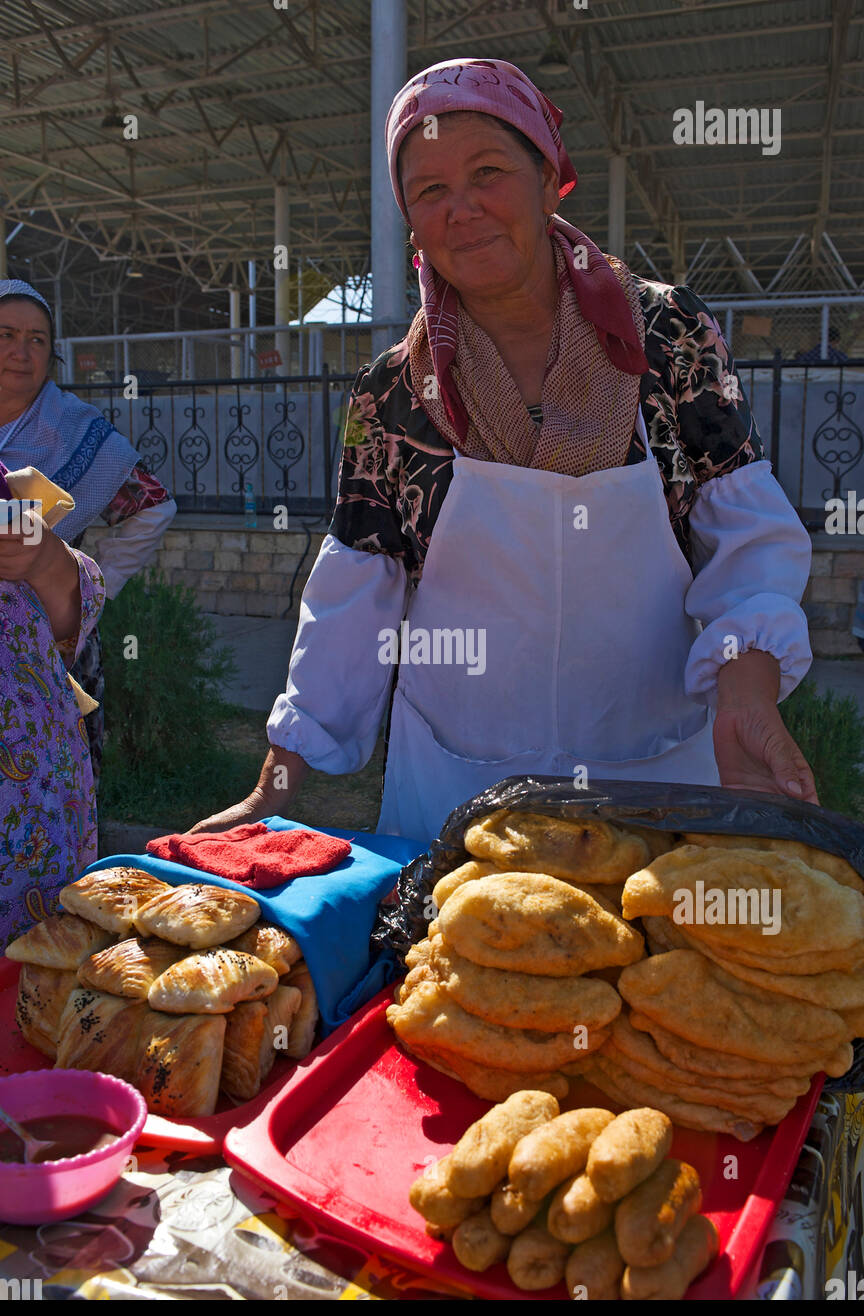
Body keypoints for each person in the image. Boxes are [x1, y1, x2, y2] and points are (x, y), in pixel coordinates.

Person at [193, 57, 816, 846]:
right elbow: (354, 591)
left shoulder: (668, 336)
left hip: (654, 779)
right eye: (429, 191)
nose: (462, 209)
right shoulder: (390, 395)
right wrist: (271, 791)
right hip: (459, 789)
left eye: (488, 171)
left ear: (548, 174)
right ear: (411, 224)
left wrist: (749, 698)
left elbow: (747, 540)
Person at [0, 279, 177, 786]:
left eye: (37, 340)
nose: (21, 351)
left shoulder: (72, 427)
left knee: (50, 790)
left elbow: (153, 508)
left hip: (50, 640)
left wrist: (89, 585)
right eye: (7, 334)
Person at [0, 464, 105, 947]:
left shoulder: (7, 489)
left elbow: (65, 632)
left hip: (43, 827)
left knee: (44, 979)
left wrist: (45, 560)